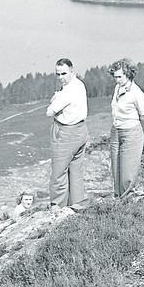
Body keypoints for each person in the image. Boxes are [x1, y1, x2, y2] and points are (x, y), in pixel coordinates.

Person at [46, 58, 89, 211]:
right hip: (81, 130)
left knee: (59, 171)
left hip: (65, 132)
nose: (60, 78)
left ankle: (57, 206)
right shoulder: (79, 84)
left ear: (72, 71)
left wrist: (56, 97)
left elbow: (49, 111)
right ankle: (77, 204)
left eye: (64, 73)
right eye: (57, 74)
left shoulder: (67, 92)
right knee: (76, 171)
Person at [108, 58, 144, 197]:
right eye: (115, 77)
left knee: (127, 172)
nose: (117, 80)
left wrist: (137, 133)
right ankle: (117, 199)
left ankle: (127, 201)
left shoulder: (136, 93)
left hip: (131, 131)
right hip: (116, 131)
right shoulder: (117, 88)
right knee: (116, 168)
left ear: (129, 74)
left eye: (120, 77)